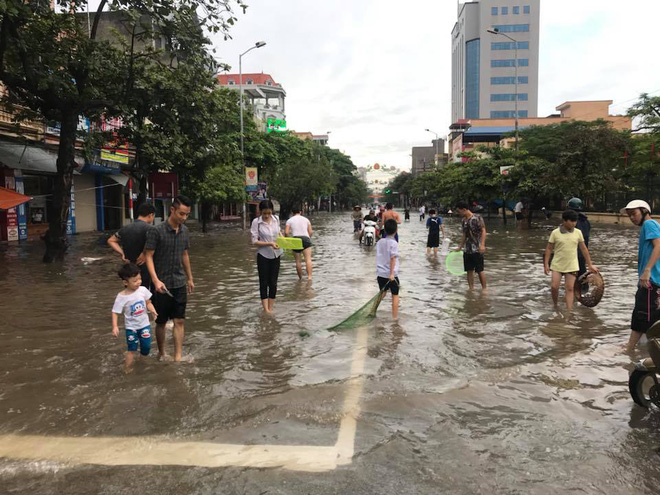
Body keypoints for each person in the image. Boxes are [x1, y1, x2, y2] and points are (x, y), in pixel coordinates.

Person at [144, 196, 194, 362]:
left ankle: (177, 356)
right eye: (181, 214)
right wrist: (155, 280)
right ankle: (161, 353)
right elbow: (148, 256)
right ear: (172, 210)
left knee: (179, 320)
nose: (184, 218)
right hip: (161, 284)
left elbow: (185, 255)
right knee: (161, 321)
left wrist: (190, 278)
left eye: (186, 215)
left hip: (179, 282)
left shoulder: (185, 231)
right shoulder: (156, 231)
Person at [624, 200, 660, 352]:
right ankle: (645, 350)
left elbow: (659, 245)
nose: (632, 218)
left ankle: (629, 349)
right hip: (654, 280)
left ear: (644, 211)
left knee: (641, 313)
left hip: (650, 281)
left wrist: (647, 270)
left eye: (634, 213)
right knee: (651, 316)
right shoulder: (654, 225)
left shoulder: (649, 224)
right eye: (630, 215)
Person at [543, 209, 598, 310]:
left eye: (575, 221)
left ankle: (569, 312)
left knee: (569, 288)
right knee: (554, 287)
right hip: (557, 265)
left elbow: (584, 249)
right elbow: (549, 248)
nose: (574, 223)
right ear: (564, 221)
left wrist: (590, 264)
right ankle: (555, 305)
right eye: (571, 221)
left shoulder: (578, 233)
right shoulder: (555, 233)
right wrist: (546, 264)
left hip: (572, 265)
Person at [111, 263, 157, 372]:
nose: (138, 282)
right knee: (132, 349)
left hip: (144, 325)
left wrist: (153, 311)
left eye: (139, 279)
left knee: (146, 348)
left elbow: (148, 302)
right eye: (135, 281)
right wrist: (115, 326)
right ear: (125, 282)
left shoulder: (143, 290)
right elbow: (115, 312)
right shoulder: (121, 297)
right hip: (131, 328)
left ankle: (142, 361)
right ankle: (127, 369)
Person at [107, 203, 156, 288]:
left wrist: (122, 253)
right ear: (151, 215)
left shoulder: (125, 228)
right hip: (146, 269)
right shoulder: (151, 229)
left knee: (131, 295)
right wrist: (144, 253)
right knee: (146, 295)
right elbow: (153, 244)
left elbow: (111, 240)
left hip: (130, 270)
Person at [251, 199, 283, 313]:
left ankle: (271, 307)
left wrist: (283, 240)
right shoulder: (256, 222)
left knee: (273, 283)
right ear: (260, 212)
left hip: (276, 254)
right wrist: (270, 243)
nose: (267, 215)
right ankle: (265, 310)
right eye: (264, 213)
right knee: (263, 282)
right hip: (263, 255)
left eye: (269, 213)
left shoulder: (276, 219)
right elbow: (254, 241)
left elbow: (279, 233)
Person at [455, 201, 487, 290]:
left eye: (459, 211)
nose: (458, 213)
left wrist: (482, 245)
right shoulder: (463, 220)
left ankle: (484, 289)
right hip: (467, 249)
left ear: (464, 209)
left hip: (477, 248)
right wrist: (460, 246)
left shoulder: (477, 218)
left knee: (480, 270)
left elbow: (483, 231)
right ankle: (471, 289)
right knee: (469, 270)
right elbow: (464, 235)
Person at [376, 219, 400, 319]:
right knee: (395, 295)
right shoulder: (394, 243)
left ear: (384, 230)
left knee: (383, 293)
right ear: (396, 230)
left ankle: (373, 310)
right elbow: (393, 258)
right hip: (391, 274)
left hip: (380, 274)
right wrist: (391, 274)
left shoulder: (379, 242)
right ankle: (395, 319)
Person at [285, 207, 313, 280]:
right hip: (305, 238)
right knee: (308, 259)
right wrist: (307, 238)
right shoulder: (306, 219)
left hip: (295, 240)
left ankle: (300, 278)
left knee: (298, 261)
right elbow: (310, 232)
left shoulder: (289, 220)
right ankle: (309, 277)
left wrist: (288, 241)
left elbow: (286, 232)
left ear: (292, 213)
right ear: (300, 212)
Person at [567, 197, 591, 280]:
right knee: (582, 275)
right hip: (583, 254)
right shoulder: (586, 221)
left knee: (572, 277)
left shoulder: (571, 222)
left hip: (573, 254)